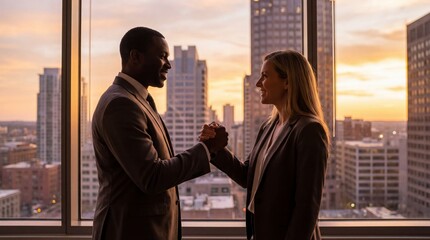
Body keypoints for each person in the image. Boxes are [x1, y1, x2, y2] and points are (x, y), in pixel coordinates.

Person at [91, 26, 228, 240]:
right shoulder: (121, 104)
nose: (169, 64)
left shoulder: (137, 99)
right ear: (135, 57)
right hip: (131, 231)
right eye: (162, 56)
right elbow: (152, 177)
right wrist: (206, 149)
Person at [200, 50, 330, 240]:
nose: (258, 84)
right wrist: (216, 147)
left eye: (265, 76)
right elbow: (247, 176)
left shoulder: (309, 130)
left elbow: (306, 208)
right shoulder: (269, 126)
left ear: (288, 82)